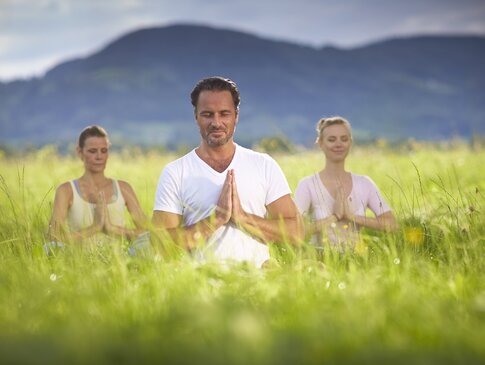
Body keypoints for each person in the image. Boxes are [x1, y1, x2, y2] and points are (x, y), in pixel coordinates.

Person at [152, 76, 304, 267]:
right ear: (196, 116)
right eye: (208, 114)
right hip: (203, 284)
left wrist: (243, 218)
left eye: (224, 114)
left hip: (260, 282)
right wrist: (216, 219)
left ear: (236, 116)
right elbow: (160, 243)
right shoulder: (176, 172)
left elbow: (296, 231)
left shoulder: (264, 165)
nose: (216, 122)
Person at [294, 116, 397, 248]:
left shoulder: (364, 183)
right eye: (331, 140)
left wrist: (351, 217)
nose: (338, 144)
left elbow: (391, 224)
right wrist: (334, 217)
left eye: (344, 139)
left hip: (357, 260)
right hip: (319, 260)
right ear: (320, 143)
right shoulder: (307, 185)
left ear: (350, 142)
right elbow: (293, 232)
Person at [47, 125, 148, 247]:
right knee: (50, 247)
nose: (99, 157)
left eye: (104, 150)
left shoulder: (123, 188)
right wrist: (94, 228)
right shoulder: (66, 190)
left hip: (119, 262)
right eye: (92, 151)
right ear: (80, 152)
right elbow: (53, 237)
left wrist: (112, 229)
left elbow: (147, 233)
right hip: (79, 262)